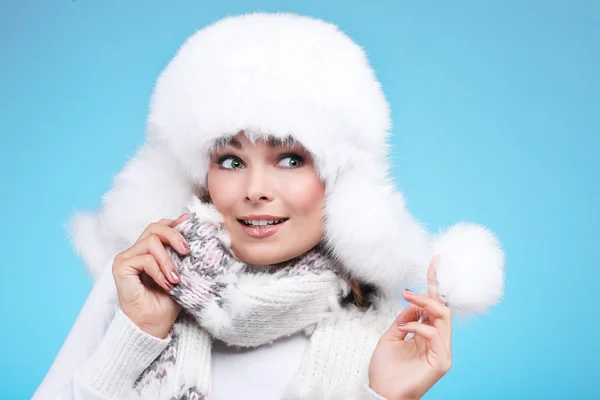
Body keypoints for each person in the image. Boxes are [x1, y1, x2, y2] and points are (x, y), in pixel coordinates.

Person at [33, 12, 504, 400]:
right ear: (201, 174)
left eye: (291, 159)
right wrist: (134, 338)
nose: (255, 189)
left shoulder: (382, 333)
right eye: (231, 159)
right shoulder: (144, 283)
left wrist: (380, 398)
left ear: (338, 181)